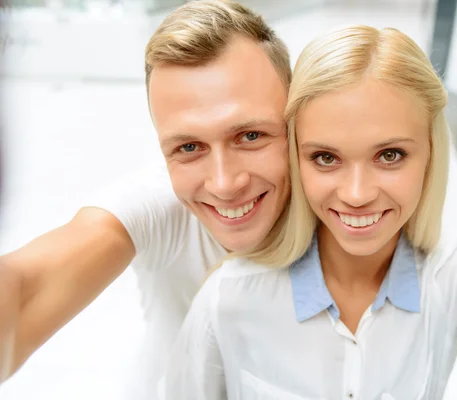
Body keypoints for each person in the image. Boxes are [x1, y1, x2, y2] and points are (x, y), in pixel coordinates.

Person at [165, 24, 457, 399]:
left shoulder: (453, 276)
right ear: (295, 157)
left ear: (432, 152)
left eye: (390, 155)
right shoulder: (230, 297)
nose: (356, 195)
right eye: (325, 158)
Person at [0, 1, 292, 397]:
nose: (224, 184)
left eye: (251, 136)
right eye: (189, 147)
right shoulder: (156, 206)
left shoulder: (348, 199)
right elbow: (24, 292)